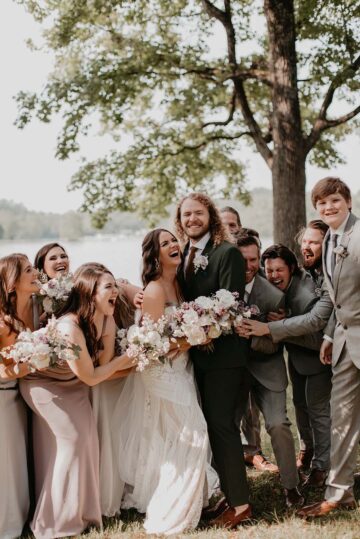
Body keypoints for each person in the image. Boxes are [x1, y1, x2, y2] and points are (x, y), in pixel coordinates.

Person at [19, 263, 134, 539]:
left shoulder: (106, 316)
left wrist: (116, 339)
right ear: (89, 292)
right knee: (72, 443)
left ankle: (84, 514)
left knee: (88, 443)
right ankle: (54, 522)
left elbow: (100, 370)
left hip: (76, 384)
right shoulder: (70, 325)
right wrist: (124, 360)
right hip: (45, 385)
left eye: (115, 286)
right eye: (108, 287)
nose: (115, 292)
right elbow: (93, 376)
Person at [112, 228, 215, 535]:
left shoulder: (180, 284)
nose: (173, 245)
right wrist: (189, 341)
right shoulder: (156, 290)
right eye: (165, 243)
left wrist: (194, 336)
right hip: (160, 369)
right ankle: (172, 506)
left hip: (181, 367)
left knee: (169, 433)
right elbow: (150, 343)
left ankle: (174, 488)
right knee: (193, 430)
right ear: (155, 255)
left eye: (174, 240)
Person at [175, 193, 251, 528]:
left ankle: (242, 505)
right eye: (186, 214)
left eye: (198, 213)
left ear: (211, 216)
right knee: (209, 427)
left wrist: (197, 332)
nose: (192, 219)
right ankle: (225, 497)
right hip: (194, 358)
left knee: (222, 426)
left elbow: (229, 306)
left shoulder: (227, 253)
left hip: (223, 357)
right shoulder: (181, 256)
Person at [243, 245, 332, 487]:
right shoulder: (266, 284)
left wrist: (278, 328)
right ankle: (307, 453)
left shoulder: (306, 294)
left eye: (279, 270)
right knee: (301, 408)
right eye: (269, 270)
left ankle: (322, 468)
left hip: (318, 358)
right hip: (297, 359)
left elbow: (317, 339)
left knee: (318, 412)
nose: (273, 275)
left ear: (291, 268)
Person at [298, 177, 360, 518]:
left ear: (347, 201)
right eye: (322, 203)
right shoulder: (330, 239)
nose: (328, 207)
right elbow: (338, 300)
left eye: (334, 200)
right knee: (342, 419)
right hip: (344, 346)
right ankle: (340, 494)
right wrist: (330, 336)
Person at [235, 235, 303, 506]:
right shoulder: (221, 287)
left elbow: (276, 343)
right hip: (234, 371)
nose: (249, 266)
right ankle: (230, 489)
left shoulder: (275, 296)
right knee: (225, 426)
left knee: (278, 423)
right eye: (243, 260)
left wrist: (253, 336)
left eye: (253, 259)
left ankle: (291, 486)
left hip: (267, 366)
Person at [0, 253, 39, 539]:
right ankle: (8, 524)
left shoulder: (31, 309)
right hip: (3, 397)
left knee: (20, 458)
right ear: (13, 284)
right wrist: (40, 360)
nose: (35, 272)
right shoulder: (2, 323)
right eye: (28, 270)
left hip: (19, 396)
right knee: (9, 462)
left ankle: (24, 515)